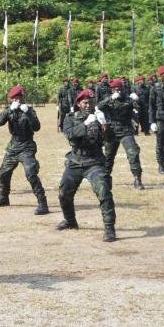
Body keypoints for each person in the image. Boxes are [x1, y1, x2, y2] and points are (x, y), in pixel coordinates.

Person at [57, 89, 117, 242]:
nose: (88, 105)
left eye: (91, 102)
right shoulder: (71, 118)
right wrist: (85, 123)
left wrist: (104, 125)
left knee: (103, 192)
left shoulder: (100, 116)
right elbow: (69, 134)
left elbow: (111, 139)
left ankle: (109, 228)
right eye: (85, 102)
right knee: (64, 193)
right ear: (79, 103)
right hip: (76, 161)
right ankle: (70, 221)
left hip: (94, 161)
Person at [0, 85, 49, 215]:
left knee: (31, 173)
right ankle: (4, 197)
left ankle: (42, 203)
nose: (18, 101)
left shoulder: (29, 110)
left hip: (27, 146)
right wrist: (8, 111)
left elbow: (37, 127)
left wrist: (28, 112)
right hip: (13, 145)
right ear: (10, 100)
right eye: (15, 99)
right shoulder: (9, 110)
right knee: (3, 172)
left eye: (20, 98)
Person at [98, 79, 145, 190]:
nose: (118, 91)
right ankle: (105, 179)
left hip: (125, 130)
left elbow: (140, 108)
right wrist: (110, 98)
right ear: (112, 90)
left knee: (133, 153)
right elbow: (99, 106)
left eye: (120, 89)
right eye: (115, 89)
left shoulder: (128, 99)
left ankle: (137, 179)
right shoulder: (109, 99)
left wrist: (137, 100)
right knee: (108, 157)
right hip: (112, 131)